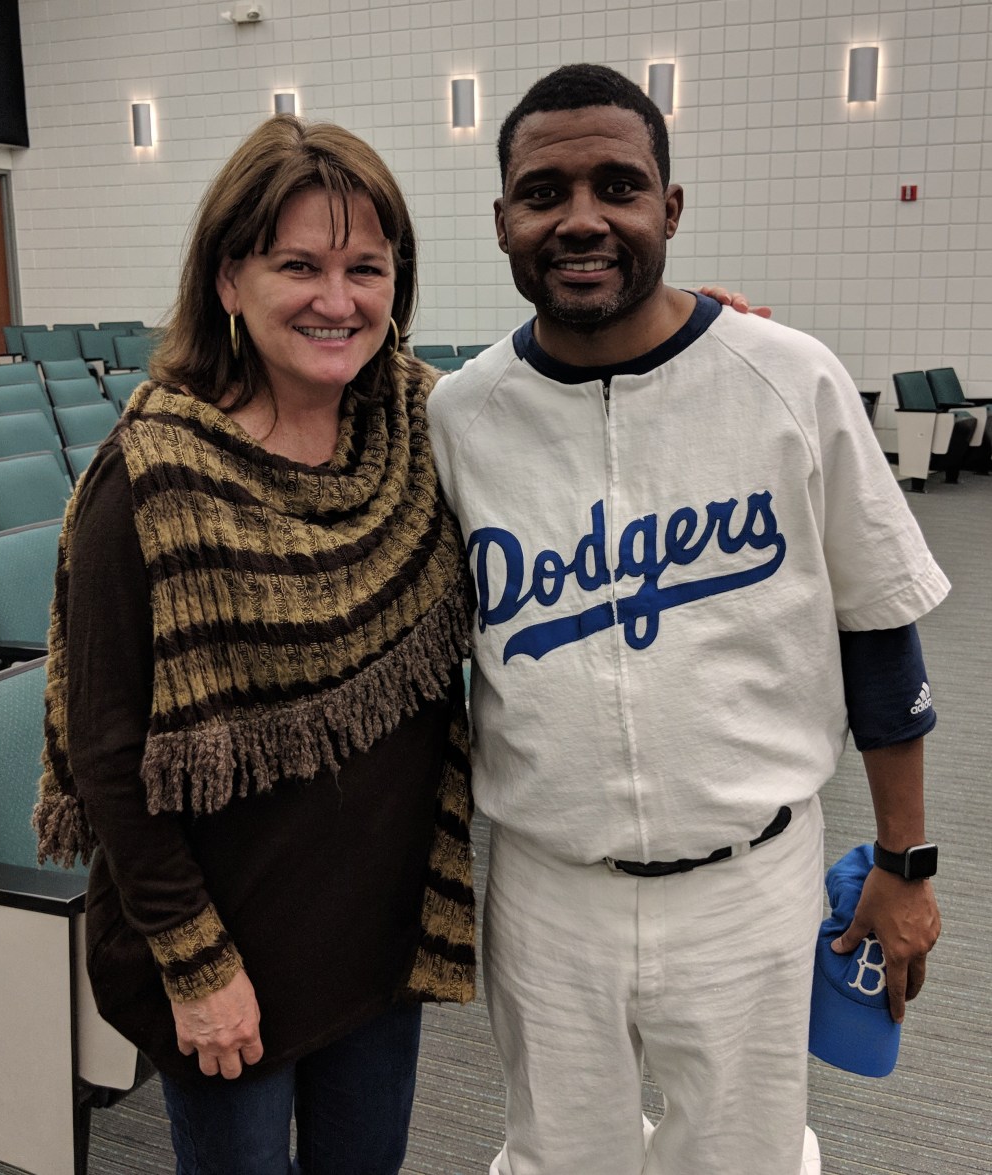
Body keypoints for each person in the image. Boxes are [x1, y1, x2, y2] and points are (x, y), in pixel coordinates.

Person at [427, 64, 946, 1175]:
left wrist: (908, 859)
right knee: (559, 1152)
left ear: (670, 207)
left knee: (744, 1156)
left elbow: (879, 636)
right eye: (544, 191)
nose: (581, 218)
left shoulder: (788, 377)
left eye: (618, 185)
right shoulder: (458, 416)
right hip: (546, 880)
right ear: (503, 221)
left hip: (749, 877)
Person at [34, 115, 476, 1175]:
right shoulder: (148, 476)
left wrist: (687, 342)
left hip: (377, 937)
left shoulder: (421, 427)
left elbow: (568, 408)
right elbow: (106, 753)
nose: (339, 298)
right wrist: (197, 965)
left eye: (366, 266)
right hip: (224, 952)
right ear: (229, 279)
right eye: (300, 264)